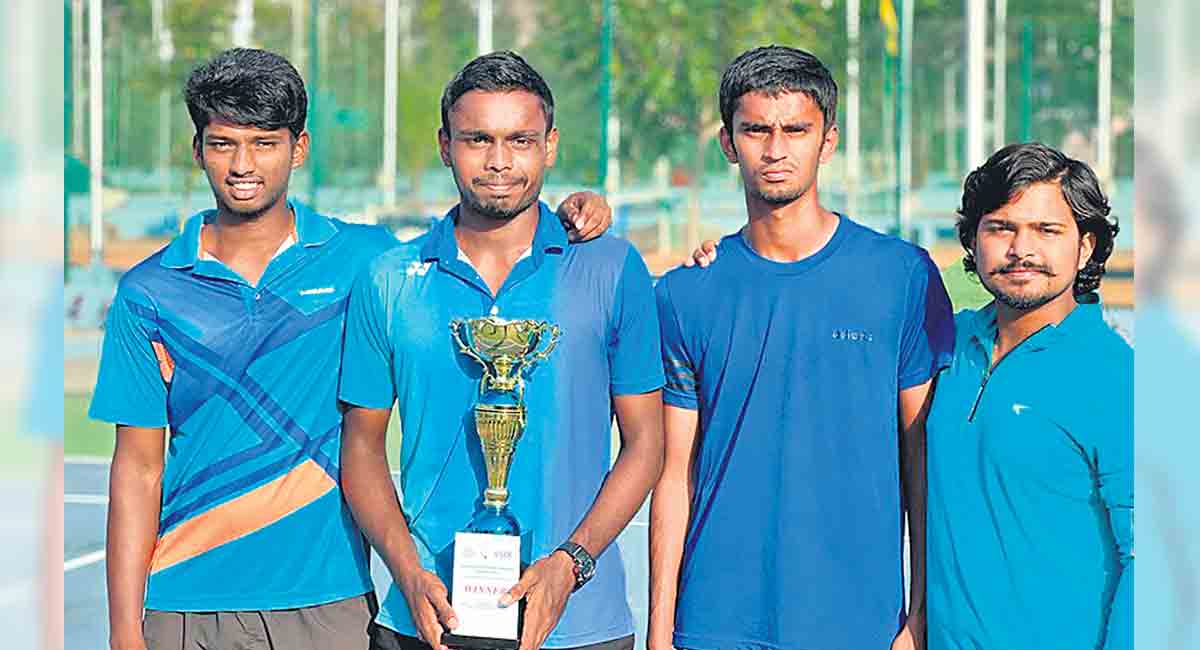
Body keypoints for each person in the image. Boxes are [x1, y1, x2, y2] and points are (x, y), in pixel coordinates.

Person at [89, 47, 612, 650]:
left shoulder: (368, 261)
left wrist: (573, 213)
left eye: (264, 143)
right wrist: (123, 630)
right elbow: (138, 469)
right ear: (197, 150)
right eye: (223, 143)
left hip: (330, 602)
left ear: (299, 148)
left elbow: (481, 234)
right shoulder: (148, 292)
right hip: (184, 603)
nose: (242, 165)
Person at [337, 51, 665, 650]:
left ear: (550, 146)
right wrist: (407, 572)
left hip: (578, 626)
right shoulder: (388, 279)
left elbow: (646, 443)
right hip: (427, 619)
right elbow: (360, 447)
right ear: (445, 146)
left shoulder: (612, 268)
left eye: (520, 140)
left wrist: (571, 562)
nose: (498, 161)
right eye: (477, 139)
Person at [648, 45, 952, 650]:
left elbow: (920, 460)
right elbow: (673, 473)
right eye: (756, 130)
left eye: (796, 130)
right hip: (714, 625)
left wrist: (919, 614)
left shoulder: (902, 277)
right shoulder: (684, 293)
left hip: (858, 626)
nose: (776, 149)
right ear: (728, 143)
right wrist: (660, 633)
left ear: (827, 140)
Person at [924, 142, 1131, 649]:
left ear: (1085, 246)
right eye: (1001, 228)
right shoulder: (944, 347)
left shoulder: (1116, 377)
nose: (1022, 249)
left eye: (1046, 230)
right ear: (973, 240)